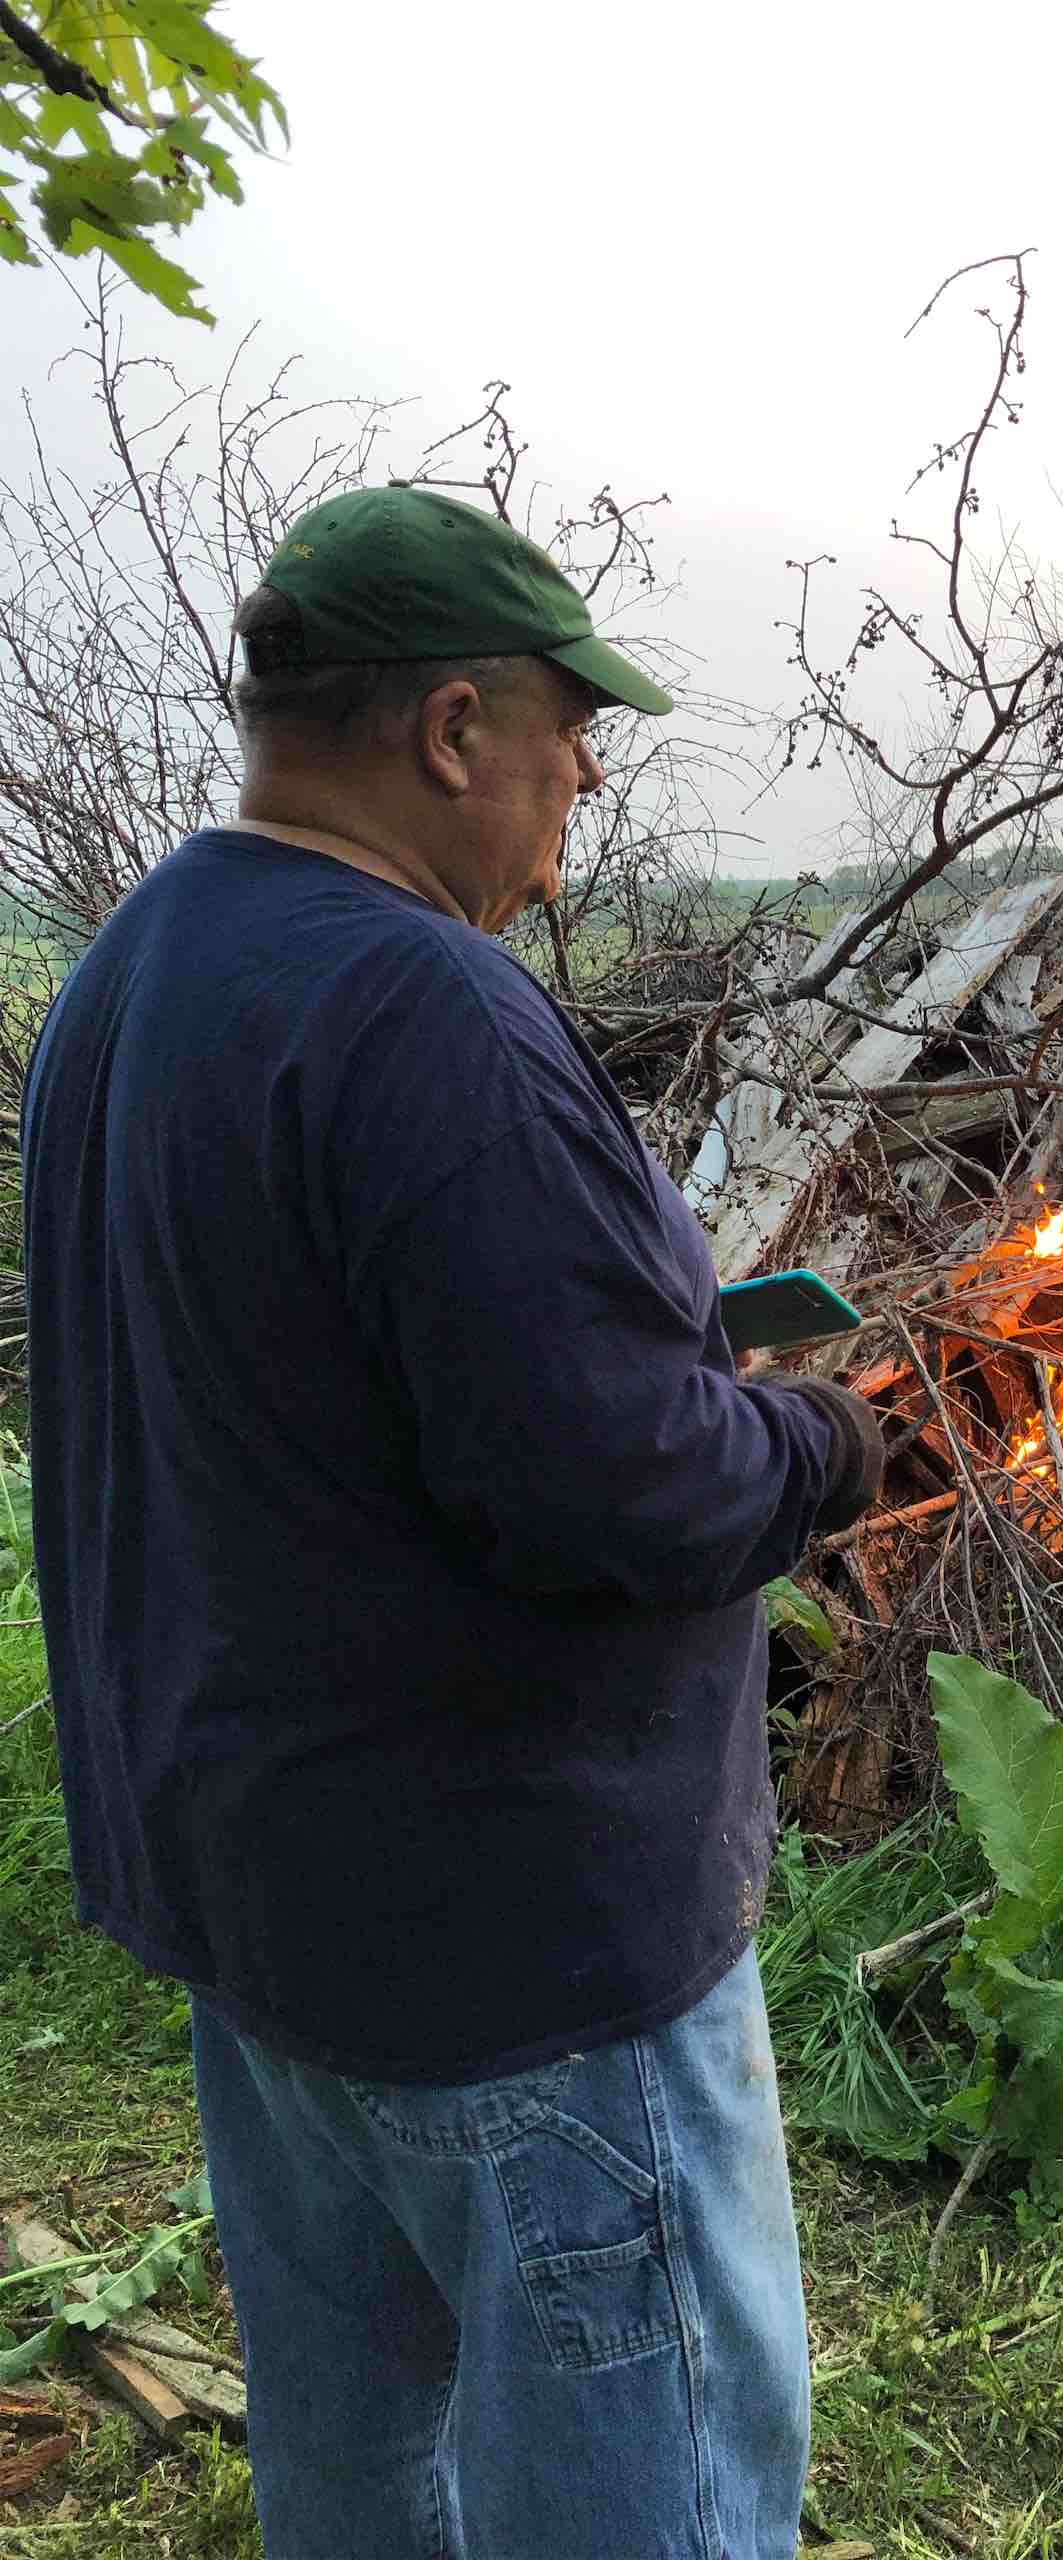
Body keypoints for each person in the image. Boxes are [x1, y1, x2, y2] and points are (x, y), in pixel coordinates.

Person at [20, 484, 883, 2560]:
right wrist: (828, 1445)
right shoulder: (427, 1013)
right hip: (518, 1955)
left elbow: (331, 1379)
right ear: (450, 728)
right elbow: (618, 1487)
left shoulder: (135, 968)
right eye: (571, 729)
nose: (586, 776)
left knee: (364, 2486)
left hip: (272, 1915)